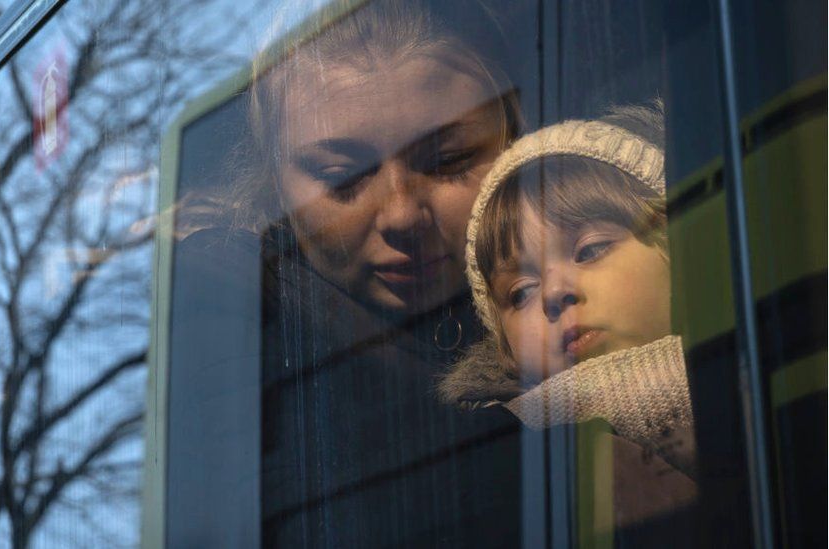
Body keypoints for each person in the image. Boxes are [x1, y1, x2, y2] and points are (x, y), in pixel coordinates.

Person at [167, 1, 524, 546]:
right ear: (273, 184)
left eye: (448, 160)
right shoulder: (236, 307)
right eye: (343, 176)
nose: (402, 213)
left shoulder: (589, 267)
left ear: (517, 138)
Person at [439, 102, 700, 533]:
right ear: (503, 348)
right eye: (521, 292)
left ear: (681, 243)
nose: (556, 293)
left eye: (591, 250)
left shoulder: (773, 364)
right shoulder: (504, 461)